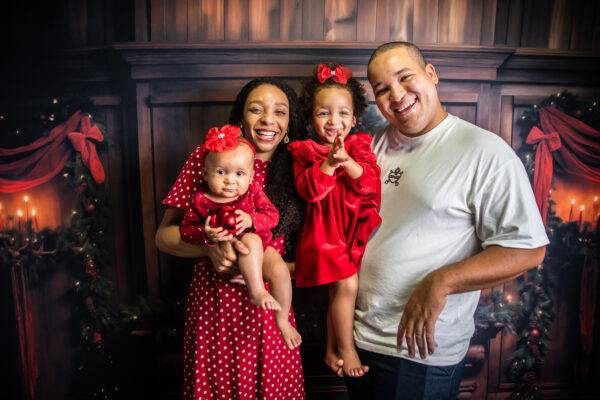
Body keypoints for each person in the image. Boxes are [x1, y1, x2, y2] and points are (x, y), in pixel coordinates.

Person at [326, 41, 549, 399]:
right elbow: (334, 236)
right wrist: (336, 335)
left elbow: (527, 250)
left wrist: (441, 282)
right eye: (382, 89)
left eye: (405, 77)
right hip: (359, 340)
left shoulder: (485, 152)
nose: (396, 94)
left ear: (431, 73)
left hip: (418, 351)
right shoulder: (367, 149)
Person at [155, 78, 307, 399]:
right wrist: (209, 248)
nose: (268, 120)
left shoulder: (301, 168)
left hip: (273, 302)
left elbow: (317, 257)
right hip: (215, 302)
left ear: (289, 123)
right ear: (240, 117)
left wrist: (274, 270)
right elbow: (164, 237)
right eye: (256, 110)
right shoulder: (211, 156)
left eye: (279, 112)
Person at [290, 63, 381, 378]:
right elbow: (310, 190)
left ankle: (331, 349)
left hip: (352, 230)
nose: (334, 120)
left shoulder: (360, 147)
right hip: (324, 235)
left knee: (338, 292)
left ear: (354, 119)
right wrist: (329, 163)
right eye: (323, 113)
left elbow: (369, 185)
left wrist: (348, 162)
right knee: (347, 284)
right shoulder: (305, 152)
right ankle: (347, 347)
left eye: (343, 113)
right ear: (311, 118)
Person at [179, 124, 301, 349]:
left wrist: (251, 220)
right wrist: (205, 234)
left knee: (280, 271)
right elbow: (185, 229)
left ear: (251, 177)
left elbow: (272, 216)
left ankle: (282, 320)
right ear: (205, 174)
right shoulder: (201, 200)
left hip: (261, 248)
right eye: (221, 172)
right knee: (249, 245)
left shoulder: (253, 193)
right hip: (222, 257)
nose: (230, 180)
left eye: (239, 174)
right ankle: (257, 291)